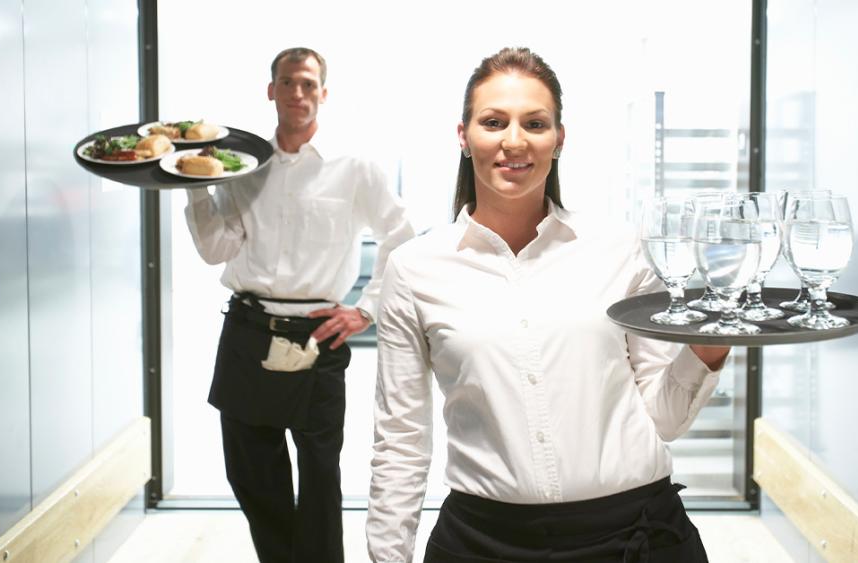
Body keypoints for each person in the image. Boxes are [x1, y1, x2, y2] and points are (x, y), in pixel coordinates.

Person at [366, 47, 730, 563]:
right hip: (484, 544)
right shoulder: (413, 268)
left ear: (559, 139)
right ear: (464, 136)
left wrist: (709, 349)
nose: (514, 141)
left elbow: (664, 419)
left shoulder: (620, 248)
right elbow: (400, 440)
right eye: (494, 122)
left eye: (535, 124)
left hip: (637, 536)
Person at [184, 47, 415, 563]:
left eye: (308, 83)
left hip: (317, 334)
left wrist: (367, 309)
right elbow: (216, 249)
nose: (297, 92)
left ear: (323, 94)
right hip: (248, 328)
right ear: (272, 90)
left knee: (318, 477)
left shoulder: (353, 166)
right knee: (250, 473)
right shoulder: (245, 167)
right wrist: (197, 189)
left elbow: (401, 236)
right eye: (287, 82)